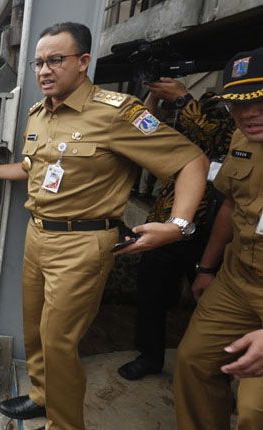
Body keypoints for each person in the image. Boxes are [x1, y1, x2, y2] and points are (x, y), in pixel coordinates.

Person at [0, 22, 208, 429]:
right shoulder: (40, 113)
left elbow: (190, 160)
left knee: (59, 342)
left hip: (84, 244)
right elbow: (33, 167)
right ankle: (43, 396)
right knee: (36, 334)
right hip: (38, 236)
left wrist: (178, 225)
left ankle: (64, 425)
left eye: (55, 60)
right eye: (39, 62)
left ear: (83, 62)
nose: (44, 70)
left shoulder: (115, 113)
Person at [117, 79, 235, 381]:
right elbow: (144, 129)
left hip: (213, 230)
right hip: (167, 223)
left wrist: (184, 98)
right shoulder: (185, 121)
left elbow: (209, 132)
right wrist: (153, 97)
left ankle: (214, 370)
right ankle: (149, 356)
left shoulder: (232, 123)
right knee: (151, 292)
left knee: (212, 303)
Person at [173, 46, 263, 430]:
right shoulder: (241, 142)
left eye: (260, 99)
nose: (248, 113)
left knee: (253, 410)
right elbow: (229, 206)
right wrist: (206, 268)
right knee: (193, 362)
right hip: (238, 280)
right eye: (238, 104)